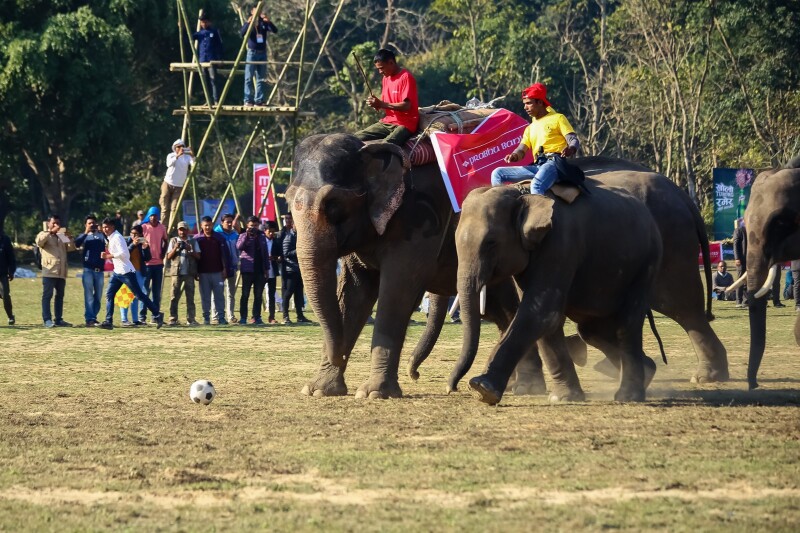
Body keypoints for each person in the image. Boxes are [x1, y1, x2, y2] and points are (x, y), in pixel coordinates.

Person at [491, 83, 581, 194]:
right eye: (524, 104)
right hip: (537, 166)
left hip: (553, 164)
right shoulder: (529, 128)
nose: (525, 107)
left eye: (529, 103)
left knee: (536, 185)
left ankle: (542, 211)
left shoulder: (558, 118)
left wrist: (571, 149)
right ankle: (503, 207)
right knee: (497, 173)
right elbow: (521, 150)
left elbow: (573, 139)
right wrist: (514, 156)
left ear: (540, 102)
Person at [97, 218, 163, 330]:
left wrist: (108, 256)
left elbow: (125, 254)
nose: (105, 229)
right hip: (117, 272)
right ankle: (108, 321)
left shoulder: (117, 238)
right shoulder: (111, 237)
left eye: (107, 227)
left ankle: (157, 314)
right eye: (103, 227)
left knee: (139, 295)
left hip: (126, 272)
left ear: (113, 227)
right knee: (109, 294)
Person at [354, 48, 419, 146]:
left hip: (406, 123)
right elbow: (386, 103)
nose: (380, 72)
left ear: (391, 63)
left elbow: (406, 106)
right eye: (378, 69)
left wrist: (381, 104)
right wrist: (376, 104)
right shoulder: (385, 78)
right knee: (353, 138)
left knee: (384, 146)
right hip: (388, 121)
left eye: (382, 68)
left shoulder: (406, 77)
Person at [36, 215, 76, 328]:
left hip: (61, 272)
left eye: (58, 223)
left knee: (60, 296)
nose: (56, 225)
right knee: (47, 296)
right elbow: (39, 242)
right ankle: (47, 320)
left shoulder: (61, 236)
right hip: (49, 271)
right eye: (54, 223)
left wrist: (70, 237)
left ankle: (58, 319)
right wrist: (50, 232)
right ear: (49, 223)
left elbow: (71, 248)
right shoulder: (44, 234)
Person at [195, 216, 230, 325]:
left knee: (219, 295)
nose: (207, 227)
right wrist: (195, 271)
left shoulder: (219, 238)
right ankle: (206, 317)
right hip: (203, 272)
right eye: (205, 225)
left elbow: (224, 255)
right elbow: (194, 258)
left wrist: (225, 269)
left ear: (212, 225)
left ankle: (221, 317)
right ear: (201, 225)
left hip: (218, 272)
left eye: (209, 225)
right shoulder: (197, 239)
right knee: (205, 296)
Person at [240, 6, 277, 106]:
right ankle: (247, 99)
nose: (257, 12)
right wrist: (248, 23)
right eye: (255, 10)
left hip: (262, 53)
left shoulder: (263, 22)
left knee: (261, 78)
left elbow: (274, 30)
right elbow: (242, 33)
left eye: (259, 10)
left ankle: (259, 100)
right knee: (249, 77)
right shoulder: (250, 22)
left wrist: (268, 21)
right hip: (252, 53)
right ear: (252, 12)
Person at [166, 221, 201, 326]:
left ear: (187, 230)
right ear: (178, 230)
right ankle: (173, 318)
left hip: (189, 273)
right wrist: (176, 248)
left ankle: (191, 319)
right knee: (173, 296)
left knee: (190, 297)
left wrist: (190, 250)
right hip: (177, 273)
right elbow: (168, 257)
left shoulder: (193, 241)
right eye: (180, 230)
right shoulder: (173, 241)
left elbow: (199, 257)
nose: (182, 232)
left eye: (184, 229)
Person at [74, 214, 106, 326]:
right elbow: (76, 243)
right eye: (89, 223)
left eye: (93, 223)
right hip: (88, 269)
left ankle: (93, 316)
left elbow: (109, 242)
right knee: (89, 295)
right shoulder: (84, 236)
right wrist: (86, 232)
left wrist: (102, 230)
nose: (92, 225)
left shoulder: (102, 236)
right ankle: (90, 319)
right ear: (85, 225)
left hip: (100, 270)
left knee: (98, 296)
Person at [236, 216, 268, 324]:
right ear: (247, 226)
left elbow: (265, 253)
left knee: (258, 295)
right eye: (251, 226)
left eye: (255, 225)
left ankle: (256, 317)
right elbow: (239, 247)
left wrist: (266, 269)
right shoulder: (243, 235)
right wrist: (247, 235)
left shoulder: (262, 236)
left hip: (259, 270)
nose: (253, 228)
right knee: (245, 294)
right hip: (247, 269)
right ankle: (243, 317)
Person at [140, 206, 169, 324]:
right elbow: (139, 241)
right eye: (151, 215)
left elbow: (166, 240)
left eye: (155, 215)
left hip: (158, 264)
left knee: (156, 292)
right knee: (145, 291)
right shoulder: (144, 227)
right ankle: (142, 316)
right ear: (148, 216)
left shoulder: (162, 227)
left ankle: (155, 315)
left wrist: (163, 253)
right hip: (147, 264)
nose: (153, 218)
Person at [280, 213, 310, 324]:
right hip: (290, 270)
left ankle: (300, 316)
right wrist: (300, 250)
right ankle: (285, 316)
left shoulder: (300, 236)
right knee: (288, 294)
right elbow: (286, 253)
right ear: (293, 225)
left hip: (300, 270)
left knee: (299, 294)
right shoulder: (288, 237)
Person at [161, 139, 195, 230]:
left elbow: (194, 165)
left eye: (182, 147)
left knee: (174, 208)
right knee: (165, 207)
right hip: (167, 183)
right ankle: (164, 226)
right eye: (178, 147)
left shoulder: (187, 158)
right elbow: (169, 164)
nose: (180, 148)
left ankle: (172, 226)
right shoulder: (171, 155)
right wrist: (177, 155)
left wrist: (192, 155)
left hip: (179, 186)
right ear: (175, 148)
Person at [120, 226, 151, 327]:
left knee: (136, 296)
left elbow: (148, 258)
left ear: (141, 235)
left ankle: (135, 319)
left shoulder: (142, 243)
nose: (133, 236)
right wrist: (133, 244)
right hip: (127, 271)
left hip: (139, 272)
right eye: (132, 233)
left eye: (136, 234)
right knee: (125, 294)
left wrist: (145, 248)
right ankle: (124, 319)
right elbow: (124, 254)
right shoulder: (126, 242)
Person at [193, 13, 224, 106]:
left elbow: (219, 46)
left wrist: (220, 59)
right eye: (202, 22)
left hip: (212, 60)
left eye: (205, 22)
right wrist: (182, 28)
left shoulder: (214, 32)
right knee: (204, 81)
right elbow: (189, 37)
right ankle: (208, 100)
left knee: (213, 80)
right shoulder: (199, 34)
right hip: (203, 60)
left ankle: (216, 100)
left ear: (209, 22)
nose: (204, 24)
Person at [214, 213, 240, 323]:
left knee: (231, 293)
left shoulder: (235, 234)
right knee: (217, 292)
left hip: (232, 267)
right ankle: (216, 316)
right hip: (219, 268)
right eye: (227, 222)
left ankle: (231, 315)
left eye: (231, 221)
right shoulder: (217, 234)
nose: (229, 224)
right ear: (222, 222)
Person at [263, 220, 280, 324]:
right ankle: (256, 316)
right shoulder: (260, 241)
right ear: (265, 231)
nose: (271, 233)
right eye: (269, 231)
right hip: (261, 271)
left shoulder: (276, 241)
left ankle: (272, 317)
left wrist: (275, 258)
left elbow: (279, 255)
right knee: (258, 294)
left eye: (273, 231)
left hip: (272, 272)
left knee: (272, 295)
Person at [0, 227, 16, 325]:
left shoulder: (5, 240)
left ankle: (10, 316)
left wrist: (12, 271)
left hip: (2, 273)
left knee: (5, 295)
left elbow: (11, 256)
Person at [733, 217, 748, 308]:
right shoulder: (739, 230)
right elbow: (736, 245)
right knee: (740, 279)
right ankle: (739, 300)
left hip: (750, 260)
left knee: (748, 281)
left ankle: (746, 300)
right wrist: (737, 258)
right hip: (741, 260)